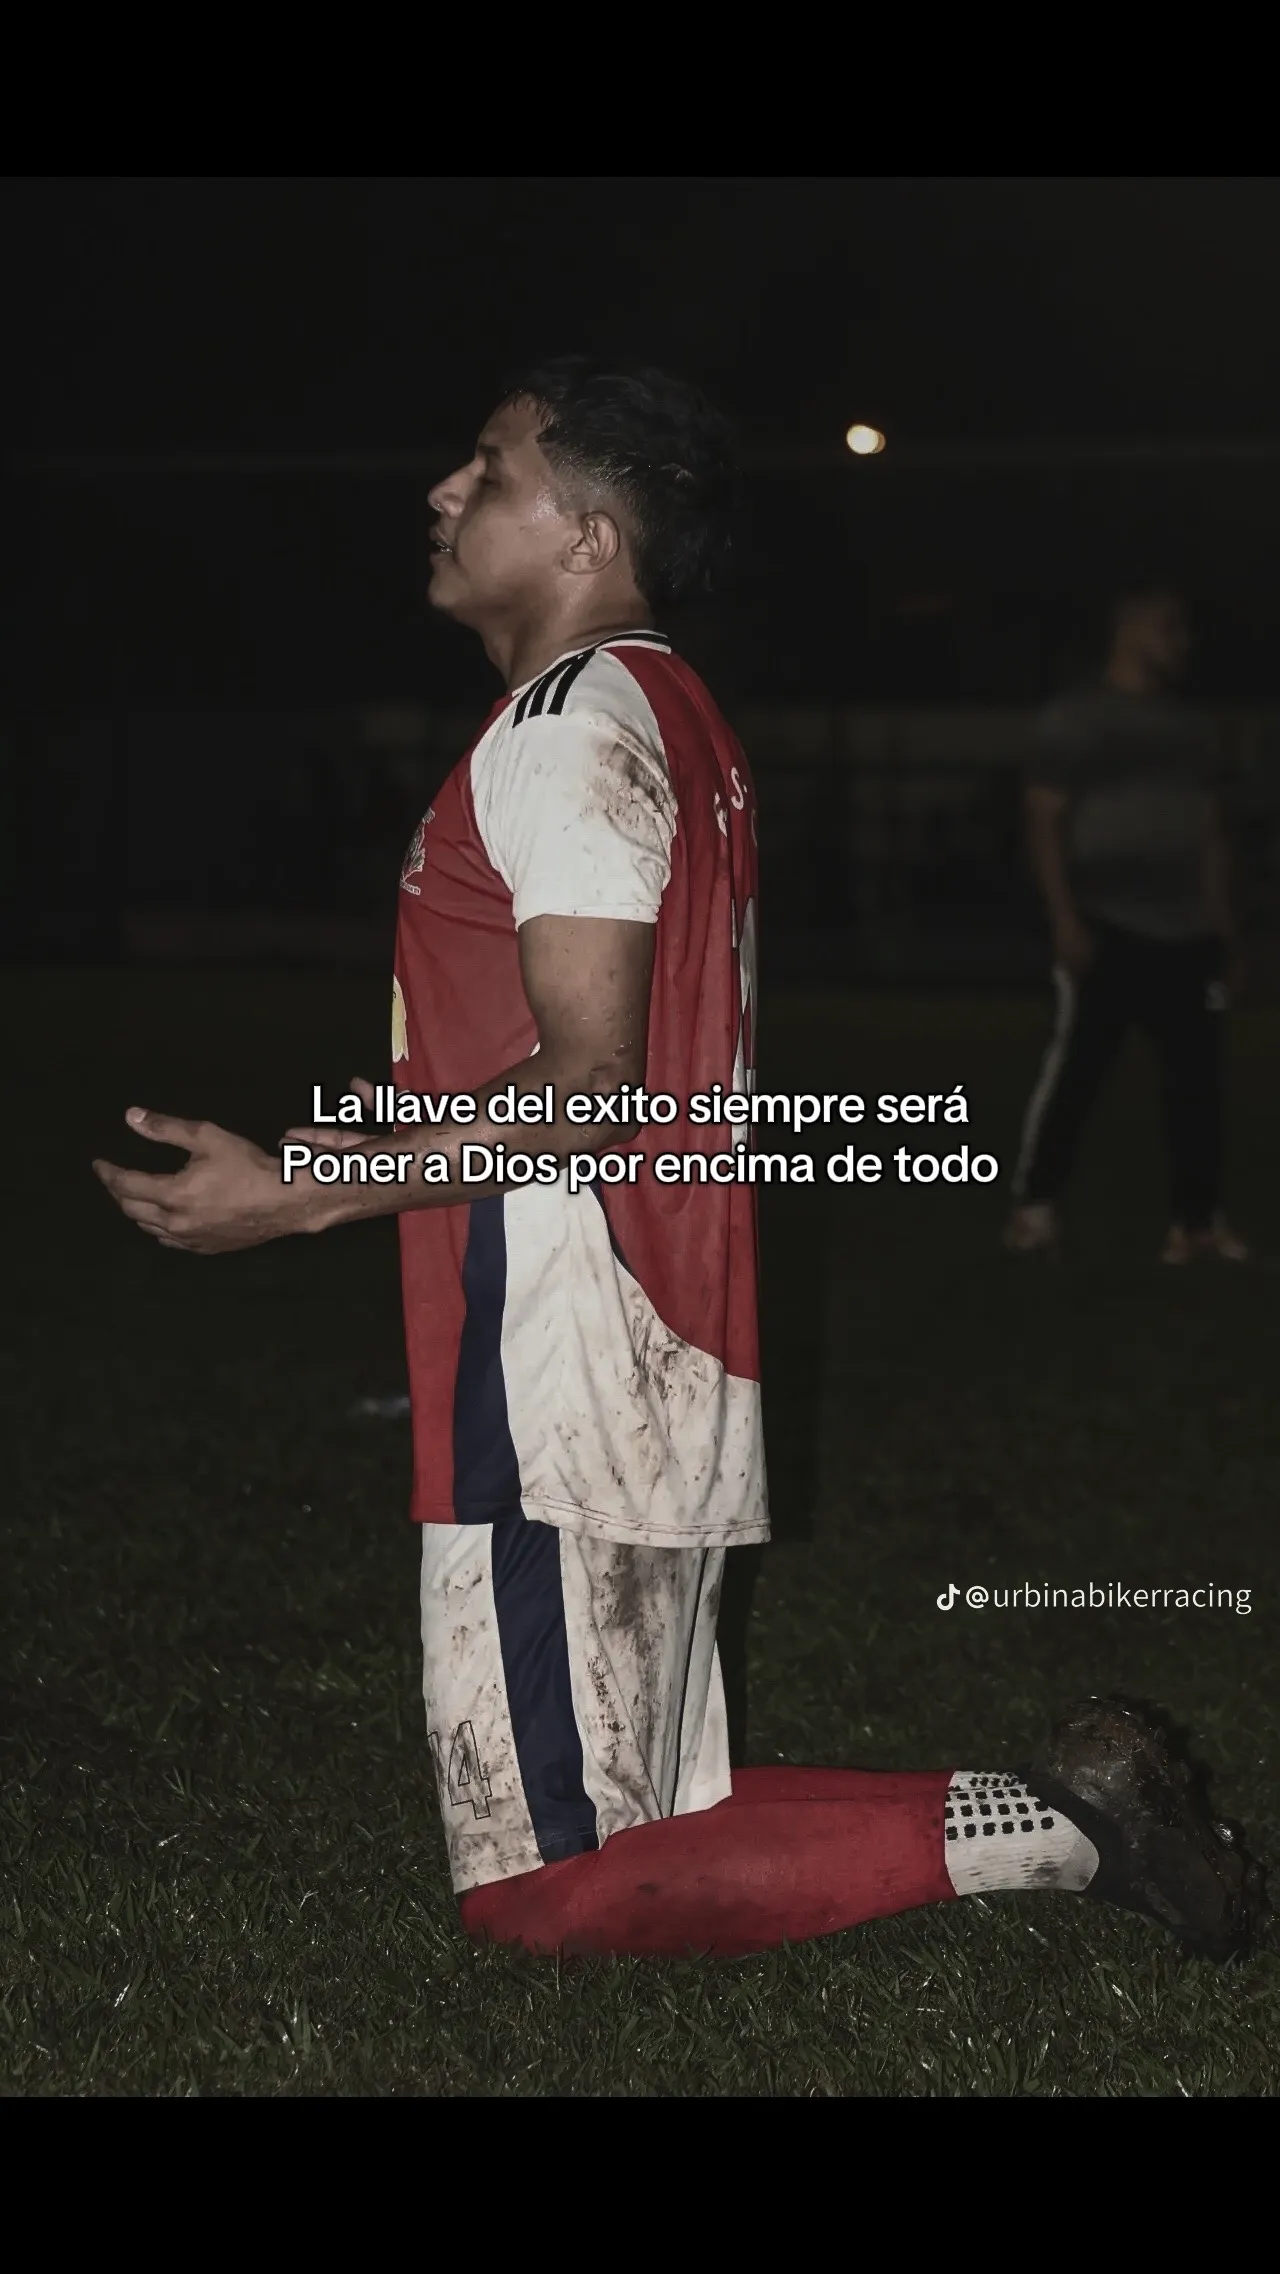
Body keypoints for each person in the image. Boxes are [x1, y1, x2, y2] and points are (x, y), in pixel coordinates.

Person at [95, 364, 1258, 1961]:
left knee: (547, 1891)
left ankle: (1068, 1825)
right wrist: (323, 1136)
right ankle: (1074, 1814)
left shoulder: (569, 728)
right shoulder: (663, 707)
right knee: (645, 1814)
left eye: (488, 470)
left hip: (568, 1334)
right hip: (657, 1321)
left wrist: (285, 1199)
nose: (444, 491)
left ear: (584, 533)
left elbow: (590, 1089)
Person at [1006, 585, 1248, 1263]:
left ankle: (1196, 1223)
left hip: (1187, 932)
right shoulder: (1077, 717)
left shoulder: (1191, 726)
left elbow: (1208, 834)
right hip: (1107, 923)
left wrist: (1224, 931)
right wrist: (1065, 917)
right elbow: (1043, 819)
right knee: (1079, 1073)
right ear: (1133, 628)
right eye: (1171, 628)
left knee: (1198, 1083)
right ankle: (1035, 1206)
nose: (1183, 642)